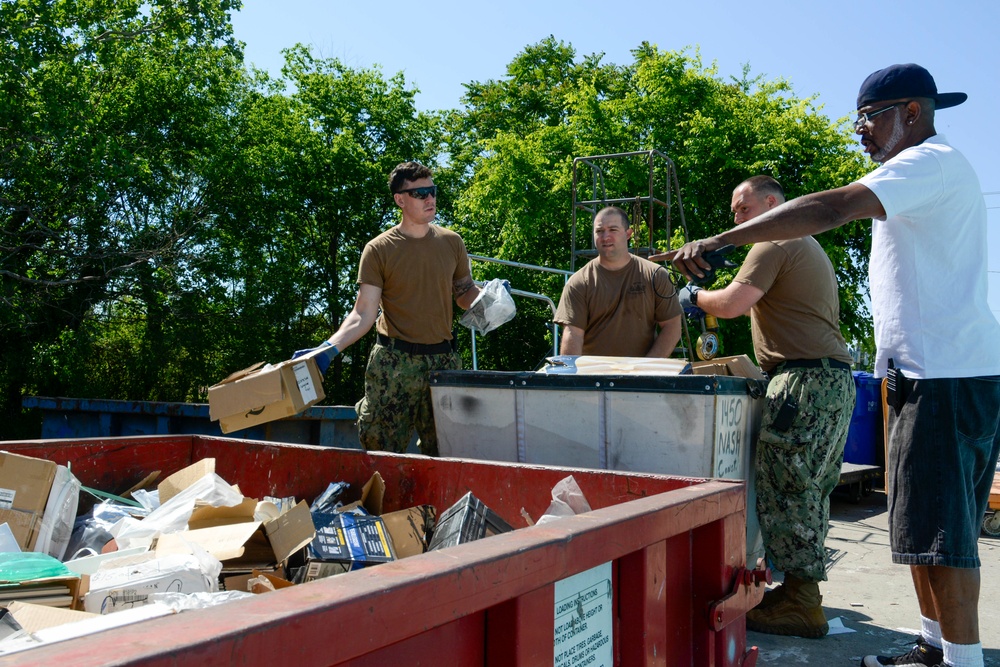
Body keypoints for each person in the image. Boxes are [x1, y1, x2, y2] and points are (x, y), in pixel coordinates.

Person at [670, 64, 1000, 667]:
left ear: (912, 113)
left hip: (946, 378)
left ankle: (963, 660)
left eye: (869, 119)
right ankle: (933, 646)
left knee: (945, 540)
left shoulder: (927, 163)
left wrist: (719, 242)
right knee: (920, 532)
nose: (861, 133)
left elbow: (829, 208)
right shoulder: (915, 174)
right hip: (920, 376)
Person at [678, 175, 855, 638]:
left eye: (743, 209)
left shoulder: (774, 237)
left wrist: (694, 298)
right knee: (809, 489)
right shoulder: (801, 241)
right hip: (829, 380)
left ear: (773, 203)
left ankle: (801, 603)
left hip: (802, 383)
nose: (735, 220)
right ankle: (800, 592)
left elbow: (734, 304)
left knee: (788, 489)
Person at [295, 161, 487, 457]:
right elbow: (363, 313)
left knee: (450, 451)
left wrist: (489, 298)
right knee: (381, 451)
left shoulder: (452, 243)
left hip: (443, 363)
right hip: (393, 363)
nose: (430, 199)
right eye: (420, 193)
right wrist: (328, 349)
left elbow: (464, 294)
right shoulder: (379, 249)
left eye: (432, 191)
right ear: (400, 199)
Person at [554, 206, 682, 357]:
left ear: (628, 234)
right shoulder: (578, 283)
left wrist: (646, 369)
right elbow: (572, 334)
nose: (605, 236)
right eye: (599, 231)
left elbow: (672, 327)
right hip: (595, 376)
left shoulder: (655, 275)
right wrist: (573, 378)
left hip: (643, 375)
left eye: (613, 230)